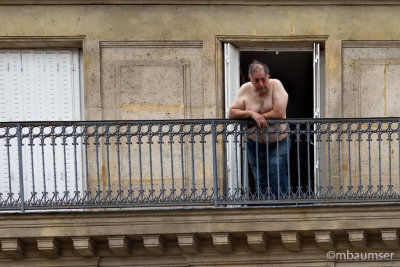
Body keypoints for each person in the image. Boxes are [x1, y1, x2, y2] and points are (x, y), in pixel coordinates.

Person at [228, 60, 290, 198]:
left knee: (277, 173)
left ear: (268, 76)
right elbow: (232, 112)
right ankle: (265, 208)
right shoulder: (244, 89)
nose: (261, 83)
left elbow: (279, 113)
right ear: (250, 79)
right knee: (260, 179)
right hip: (254, 143)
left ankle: (284, 208)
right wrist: (251, 113)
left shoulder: (276, 85)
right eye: (257, 80)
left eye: (263, 79)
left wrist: (258, 117)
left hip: (278, 142)